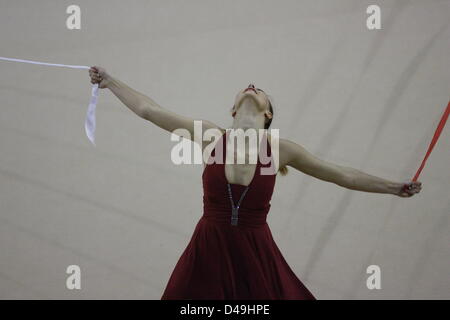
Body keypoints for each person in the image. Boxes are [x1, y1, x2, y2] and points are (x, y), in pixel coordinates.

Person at [88, 66, 422, 299]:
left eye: (260, 91)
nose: (252, 86)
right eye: (247, 90)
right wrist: (110, 82)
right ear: (233, 109)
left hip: (255, 252)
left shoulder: (281, 151)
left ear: (268, 115)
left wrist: (394, 187)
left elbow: (343, 175)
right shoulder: (209, 135)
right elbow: (148, 110)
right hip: (209, 247)